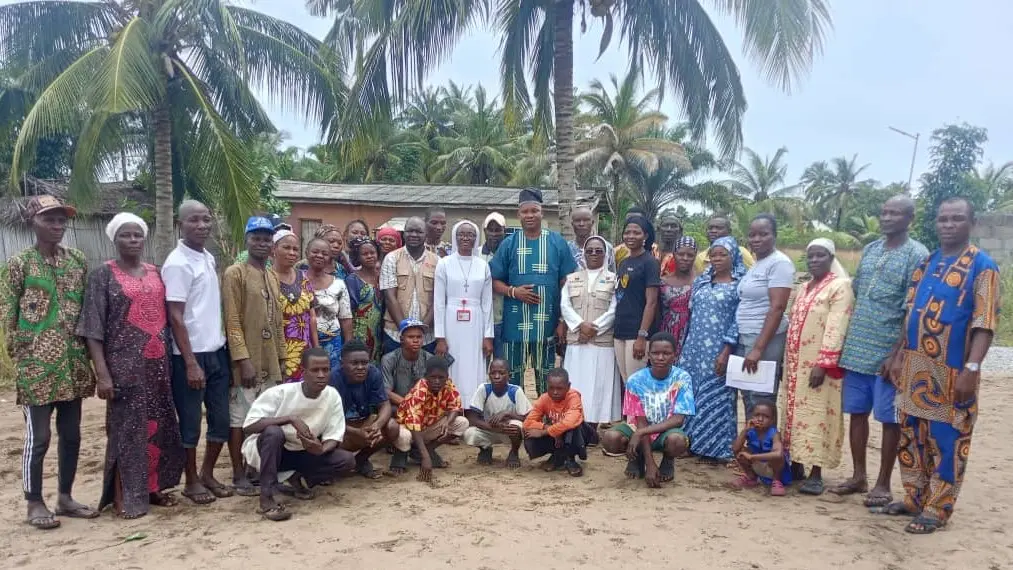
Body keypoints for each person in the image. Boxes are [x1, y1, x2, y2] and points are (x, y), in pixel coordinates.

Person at [879, 197, 999, 534]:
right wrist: (898, 356)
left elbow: (984, 324)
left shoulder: (983, 266)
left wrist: (971, 370)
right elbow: (910, 314)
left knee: (947, 440)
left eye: (956, 218)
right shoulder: (927, 262)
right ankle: (915, 497)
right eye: (943, 219)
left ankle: (937, 508)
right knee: (911, 437)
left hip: (951, 373)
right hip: (913, 369)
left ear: (972, 223)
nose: (948, 225)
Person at [78, 213, 185, 519]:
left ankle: (152, 488)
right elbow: (93, 329)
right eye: (126, 235)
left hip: (158, 366)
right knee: (126, 430)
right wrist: (102, 374)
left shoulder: (156, 273)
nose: (133, 240)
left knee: (160, 425)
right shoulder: (103, 276)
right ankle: (121, 494)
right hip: (124, 367)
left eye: (137, 235)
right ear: (114, 239)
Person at [2, 195, 98, 529]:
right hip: (36, 368)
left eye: (61, 220)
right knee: (38, 437)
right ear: (33, 222)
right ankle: (34, 502)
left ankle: (65, 497)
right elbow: (7, 315)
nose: (57, 226)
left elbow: (86, 310)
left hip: (73, 364)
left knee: (71, 435)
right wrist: (23, 358)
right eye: (49, 219)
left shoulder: (77, 261)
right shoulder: (19, 264)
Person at [830, 196, 928, 506]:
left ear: (909, 219)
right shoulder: (871, 249)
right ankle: (859, 476)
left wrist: (897, 353)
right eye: (884, 212)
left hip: (889, 353)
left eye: (894, 213)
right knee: (857, 414)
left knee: (889, 419)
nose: (886, 217)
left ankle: (883, 483)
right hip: (857, 349)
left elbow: (912, 308)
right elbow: (858, 290)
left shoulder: (917, 254)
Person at [162, 200, 232, 505]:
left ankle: (207, 473)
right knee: (190, 423)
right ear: (181, 224)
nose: (202, 225)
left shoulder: (207, 257)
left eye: (206, 219)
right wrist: (190, 363)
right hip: (189, 357)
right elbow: (175, 316)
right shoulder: (177, 263)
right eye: (194, 220)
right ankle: (190, 481)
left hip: (216, 351)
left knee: (221, 419)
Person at [241, 347, 356, 522]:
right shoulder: (281, 393)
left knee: (346, 460)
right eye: (315, 370)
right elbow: (249, 426)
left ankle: (295, 478)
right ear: (304, 372)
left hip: (302, 451)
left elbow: (334, 434)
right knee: (273, 433)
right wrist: (290, 419)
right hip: (271, 451)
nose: (321, 375)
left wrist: (321, 449)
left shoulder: (332, 396)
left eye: (325, 370)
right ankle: (267, 498)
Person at [779, 238, 854, 495]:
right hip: (795, 363)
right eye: (810, 256)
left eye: (820, 255)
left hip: (819, 365)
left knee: (818, 414)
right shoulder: (804, 287)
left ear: (831, 258)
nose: (814, 260)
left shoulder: (840, 287)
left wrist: (823, 363)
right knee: (794, 413)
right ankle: (796, 464)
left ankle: (816, 472)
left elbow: (837, 326)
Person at [222, 216, 287, 497]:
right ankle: (238, 472)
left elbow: (278, 321)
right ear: (246, 240)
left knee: (266, 414)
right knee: (240, 417)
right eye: (256, 238)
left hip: (270, 359)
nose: (261, 243)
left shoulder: (271, 275)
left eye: (266, 239)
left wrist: (282, 359)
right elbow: (232, 320)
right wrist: (242, 360)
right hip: (246, 361)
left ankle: (258, 467)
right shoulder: (234, 273)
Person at [490, 189, 577, 393]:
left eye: (534, 211)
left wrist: (562, 321)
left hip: (547, 326)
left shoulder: (557, 242)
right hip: (514, 326)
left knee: (547, 379)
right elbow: (493, 280)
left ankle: (547, 412)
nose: (529, 215)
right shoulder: (509, 244)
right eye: (525, 211)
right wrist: (514, 292)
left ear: (542, 212)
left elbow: (567, 282)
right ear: (518, 214)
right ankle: (513, 411)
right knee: (512, 378)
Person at [679, 237, 745, 464]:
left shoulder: (739, 285)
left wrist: (726, 350)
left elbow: (738, 320)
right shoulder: (702, 281)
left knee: (717, 397)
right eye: (713, 255)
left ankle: (716, 449)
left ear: (733, 256)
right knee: (691, 394)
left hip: (719, 349)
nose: (717, 259)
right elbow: (691, 315)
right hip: (693, 349)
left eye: (722, 254)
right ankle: (690, 443)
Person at [602, 333, 694, 487]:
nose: (660, 357)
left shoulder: (682, 378)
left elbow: (678, 419)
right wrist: (649, 463)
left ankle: (668, 460)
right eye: (655, 353)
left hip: (666, 431)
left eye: (666, 353)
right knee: (610, 438)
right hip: (638, 427)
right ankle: (637, 458)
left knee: (677, 441)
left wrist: (640, 433)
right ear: (648, 354)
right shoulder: (636, 380)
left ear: (675, 354)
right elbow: (641, 422)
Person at [734, 214, 794, 421]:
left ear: (775, 235)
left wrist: (759, 348)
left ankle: (766, 441)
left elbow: (777, 307)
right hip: (746, 336)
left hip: (764, 338)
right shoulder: (757, 263)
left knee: (761, 398)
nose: (756, 239)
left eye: (763, 234)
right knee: (748, 395)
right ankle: (752, 438)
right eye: (752, 235)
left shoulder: (780, 263)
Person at [559, 236, 621, 429]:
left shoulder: (614, 279)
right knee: (577, 383)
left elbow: (614, 309)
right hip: (577, 341)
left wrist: (593, 329)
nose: (594, 254)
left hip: (601, 342)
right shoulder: (572, 278)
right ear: (583, 254)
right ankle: (575, 424)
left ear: (606, 254)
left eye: (598, 251)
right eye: (590, 250)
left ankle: (592, 428)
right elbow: (565, 305)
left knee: (599, 386)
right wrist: (580, 326)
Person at [380, 318, 453, 473]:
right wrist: (410, 404)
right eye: (411, 337)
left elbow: (443, 387)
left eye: (419, 337)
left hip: (425, 411)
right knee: (392, 417)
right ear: (401, 339)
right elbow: (386, 391)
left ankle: (423, 451)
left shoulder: (429, 359)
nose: (415, 340)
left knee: (458, 422)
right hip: (400, 410)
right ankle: (401, 453)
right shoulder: (389, 359)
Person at [434, 220, 494, 402]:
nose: (466, 238)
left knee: (473, 363)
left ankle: (473, 404)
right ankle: (452, 403)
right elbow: (439, 302)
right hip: (451, 319)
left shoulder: (482, 265)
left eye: (470, 235)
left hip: (476, 321)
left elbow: (487, 304)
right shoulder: (444, 263)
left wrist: (488, 335)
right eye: (461, 234)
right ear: (455, 236)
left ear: (476, 238)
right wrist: (440, 337)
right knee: (454, 362)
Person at [329, 340, 405, 479]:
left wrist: (377, 426)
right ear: (342, 363)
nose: (360, 367)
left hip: (363, 425)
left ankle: (361, 460)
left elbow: (385, 405)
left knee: (392, 427)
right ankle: (326, 469)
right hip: (339, 429)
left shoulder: (373, 373)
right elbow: (328, 420)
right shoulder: (333, 379)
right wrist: (356, 432)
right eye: (354, 363)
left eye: (364, 363)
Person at [395, 356, 469, 481]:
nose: (437, 381)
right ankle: (400, 458)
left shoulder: (449, 385)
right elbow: (414, 424)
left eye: (441, 378)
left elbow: (455, 407)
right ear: (426, 377)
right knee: (404, 437)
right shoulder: (420, 390)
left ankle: (426, 450)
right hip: (410, 429)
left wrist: (448, 422)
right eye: (433, 377)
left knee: (462, 423)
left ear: (447, 377)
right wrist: (426, 458)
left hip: (428, 427)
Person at [613, 215, 662, 384]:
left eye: (636, 232)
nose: (631, 236)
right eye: (627, 232)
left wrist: (642, 336)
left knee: (636, 384)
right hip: (620, 330)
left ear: (645, 236)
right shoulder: (623, 262)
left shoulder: (650, 262)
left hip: (637, 333)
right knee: (626, 383)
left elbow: (652, 302)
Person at [381, 216, 439, 355]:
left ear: (426, 234)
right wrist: (406, 330)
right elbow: (390, 297)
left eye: (419, 231)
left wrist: (420, 331)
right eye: (410, 231)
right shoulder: (391, 258)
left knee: (425, 370)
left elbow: (438, 299)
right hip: (396, 334)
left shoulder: (438, 262)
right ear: (404, 233)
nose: (414, 235)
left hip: (427, 337)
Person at [463, 358, 533, 468]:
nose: (496, 376)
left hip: (508, 430)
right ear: (489, 375)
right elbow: (472, 418)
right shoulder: (484, 389)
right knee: (469, 433)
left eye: (501, 373)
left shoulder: (515, 391)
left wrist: (507, 413)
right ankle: (485, 449)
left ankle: (514, 452)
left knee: (515, 427)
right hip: (489, 429)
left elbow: (528, 417)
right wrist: (496, 428)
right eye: (493, 373)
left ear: (509, 376)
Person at [523, 368, 589, 477]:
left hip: (578, 434)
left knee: (572, 428)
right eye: (551, 388)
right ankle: (557, 456)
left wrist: (545, 432)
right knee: (530, 433)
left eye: (559, 388)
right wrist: (546, 427)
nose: (555, 392)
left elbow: (570, 422)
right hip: (556, 435)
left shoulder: (573, 397)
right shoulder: (544, 399)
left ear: (568, 386)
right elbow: (527, 423)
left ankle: (570, 459)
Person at [273, 229, 319, 383]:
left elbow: (312, 316)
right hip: (278, 350)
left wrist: (316, 347)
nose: (292, 253)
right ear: (274, 249)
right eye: (286, 248)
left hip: (304, 348)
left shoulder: (303, 277)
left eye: (295, 249)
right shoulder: (266, 278)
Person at [306, 237, 353, 372]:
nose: (320, 256)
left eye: (325, 253)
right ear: (307, 253)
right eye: (315, 252)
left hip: (332, 343)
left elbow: (346, 318)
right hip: (304, 342)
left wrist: (347, 349)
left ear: (330, 257)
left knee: (331, 378)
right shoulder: (297, 280)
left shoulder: (339, 284)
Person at [730, 400, 791, 496]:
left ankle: (776, 481)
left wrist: (752, 457)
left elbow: (778, 454)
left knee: (778, 455)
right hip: (757, 466)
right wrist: (745, 431)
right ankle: (751, 476)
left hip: (773, 469)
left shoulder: (774, 433)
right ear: (752, 417)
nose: (760, 419)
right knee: (740, 451)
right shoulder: (750, 431)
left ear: (772, 420)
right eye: (757, 415)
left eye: (766, 416)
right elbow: (735, 449)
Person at [346, 237, 385, 363]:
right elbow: (349, 311)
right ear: (358, 257)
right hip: (360, 332)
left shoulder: (383, 277)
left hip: (380, 331)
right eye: (365, 254)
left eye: (372, 253)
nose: (369, 256)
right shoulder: (352, 280)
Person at [659, 236, 697, 361]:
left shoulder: (701, 282)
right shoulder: (663, 281)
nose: (685, 258)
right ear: (674, 254)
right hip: (667, 331)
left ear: (695, 256)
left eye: (690, 255)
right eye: (680, 254)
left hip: (692, 332)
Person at [481, 212, 507, 358]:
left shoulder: (510, 254)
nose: (494, 234)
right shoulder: (475, 254)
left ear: (504, 231)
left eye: (498, 230)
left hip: (503, 320)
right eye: (490, 230)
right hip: (481, 321)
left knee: (501, 364)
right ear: (485, 231)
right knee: (480, 364)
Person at [567, 206, 615, 272]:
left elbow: (612, 275)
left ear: (592, 223)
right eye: (577, 220)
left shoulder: (606, 248)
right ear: (572, 224)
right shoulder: (566, 249)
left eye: (586, 220)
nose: (581, 224)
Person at [656, 212, 684, 277]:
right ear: (659, 229)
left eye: (673, 226)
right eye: (665, 226)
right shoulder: (651, 252)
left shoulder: (685, 257)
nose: (669, 230)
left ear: (680, 231)